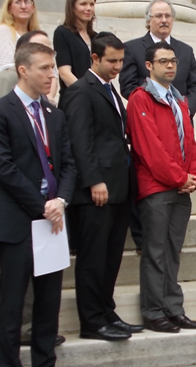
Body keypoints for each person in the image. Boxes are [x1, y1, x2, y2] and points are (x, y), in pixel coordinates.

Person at [0, 42, 78, 367]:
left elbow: (68, 163)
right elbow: (4, 169)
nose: (52, 75)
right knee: (12, 305)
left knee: (49, 303)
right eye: (44, 68)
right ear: (23, 70)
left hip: (52, 222)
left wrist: (62, 200)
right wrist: (42, 205)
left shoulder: (54, 114)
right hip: (19, 221)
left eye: (53, 68)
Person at [61, 32, 143, 341]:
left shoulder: (111, 90)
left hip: (119, 189)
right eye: (112, 60)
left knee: (111, 257)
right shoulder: (81, 91)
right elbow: (80, 142)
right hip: (96, 191)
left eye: (121, 60)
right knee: (93, 258)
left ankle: (106, 310)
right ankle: (92, 321)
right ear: (94, 58)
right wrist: (94, 180)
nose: (118, 66)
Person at [126, 41, 196, 333]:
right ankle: (153, 310)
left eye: (173, 61)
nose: (170, 65)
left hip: (181, 188)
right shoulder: (140, 99)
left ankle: (173, 307)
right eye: (163, 61)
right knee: (155, 251)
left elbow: (190, 143)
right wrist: (179, 177)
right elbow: (150, 150)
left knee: (173, 251)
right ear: (149, 66)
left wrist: (195, 175)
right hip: (156, 188)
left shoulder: (179, 100)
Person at [120, 0, 196, 117]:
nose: (164, 20)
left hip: (182, 121)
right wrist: (156, 107)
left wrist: (185, 109)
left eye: (168, 16)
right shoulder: (132, 48)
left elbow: (194, 87)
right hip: (150, 118)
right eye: (158, 16)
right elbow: (128, 86)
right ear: (148, 20)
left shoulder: (186, 51)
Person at [54, 0, 96, 107]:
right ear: (72, 7)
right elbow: (64, 72)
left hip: (94, 100)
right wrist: (86, 93)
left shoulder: (96, 37)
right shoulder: (62, 33)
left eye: (91, 4)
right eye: (83, 4)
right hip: (74, 99)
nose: (89, 8)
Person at [0, 0, 40, 74]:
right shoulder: (1, 31)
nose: (23, 6)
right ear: (9, 9)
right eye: (18, 2)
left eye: (27, 2)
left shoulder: (39, 37)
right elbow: (6, 69)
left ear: (33, 8)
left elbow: (52, 72)